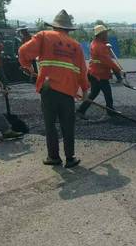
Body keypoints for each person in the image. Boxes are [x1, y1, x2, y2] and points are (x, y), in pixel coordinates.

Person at [19, 9, 89, 168]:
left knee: (50, 124)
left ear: (54, 26)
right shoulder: (76, 46)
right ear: (68, 29)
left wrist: (27, 67)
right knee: (67, 124)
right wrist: (84, 90)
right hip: (67, 91)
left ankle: (53, 157)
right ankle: (70, 158)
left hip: (48, 88)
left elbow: (23, 51)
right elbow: (81, 70)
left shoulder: (44, 36)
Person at [76, 25, 123, 120]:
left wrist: (107, 45)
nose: (106, 34)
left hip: (95, 72)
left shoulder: (97, 43)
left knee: (94, 93)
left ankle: (80, 111)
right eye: (105, 33)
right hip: (99, 74)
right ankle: (110, 111)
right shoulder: (99, 46)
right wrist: (119, 71)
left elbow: (105, 57)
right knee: (107, 94)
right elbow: (108, 61)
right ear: (101, 34)